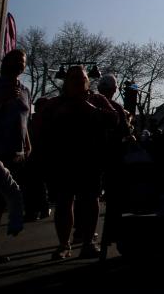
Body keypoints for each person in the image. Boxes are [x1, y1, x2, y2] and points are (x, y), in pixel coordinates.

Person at [40, 65, 117, 259]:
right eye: (73, 78)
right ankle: (64, 245)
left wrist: (92, 110)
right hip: (63, 162)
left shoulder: (97, 100)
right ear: (66, 82)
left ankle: (89, 242)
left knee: (90, 201)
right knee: (64, 203)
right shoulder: (55, 104)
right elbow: (41, 128)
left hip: (91, 160)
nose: (78, 82)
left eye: (82, 79)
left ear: (88, 82)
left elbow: (114, 120)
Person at [0, 49, 32, 264]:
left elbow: (25, 119)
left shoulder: (25, 90)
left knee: (0, 204)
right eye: (15, 59)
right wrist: (2, 99)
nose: (19, 63)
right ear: (5, 62)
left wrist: (27, 145)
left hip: (15, 154)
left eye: (23, 61)